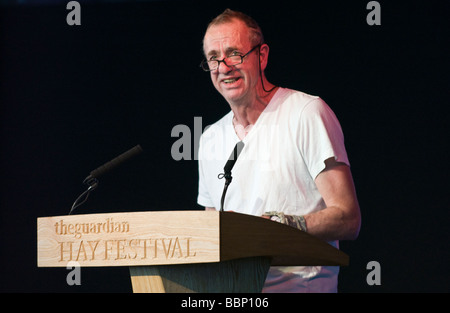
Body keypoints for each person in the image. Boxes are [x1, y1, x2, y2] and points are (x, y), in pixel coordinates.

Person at [197, 9, 361, 293]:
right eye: (214, 58)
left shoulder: (306, 113)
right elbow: (212, 232)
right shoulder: (210, 137)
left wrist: (281, 226)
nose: (223, 67)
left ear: (262, 56)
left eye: (234, 53)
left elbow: (348, 219)